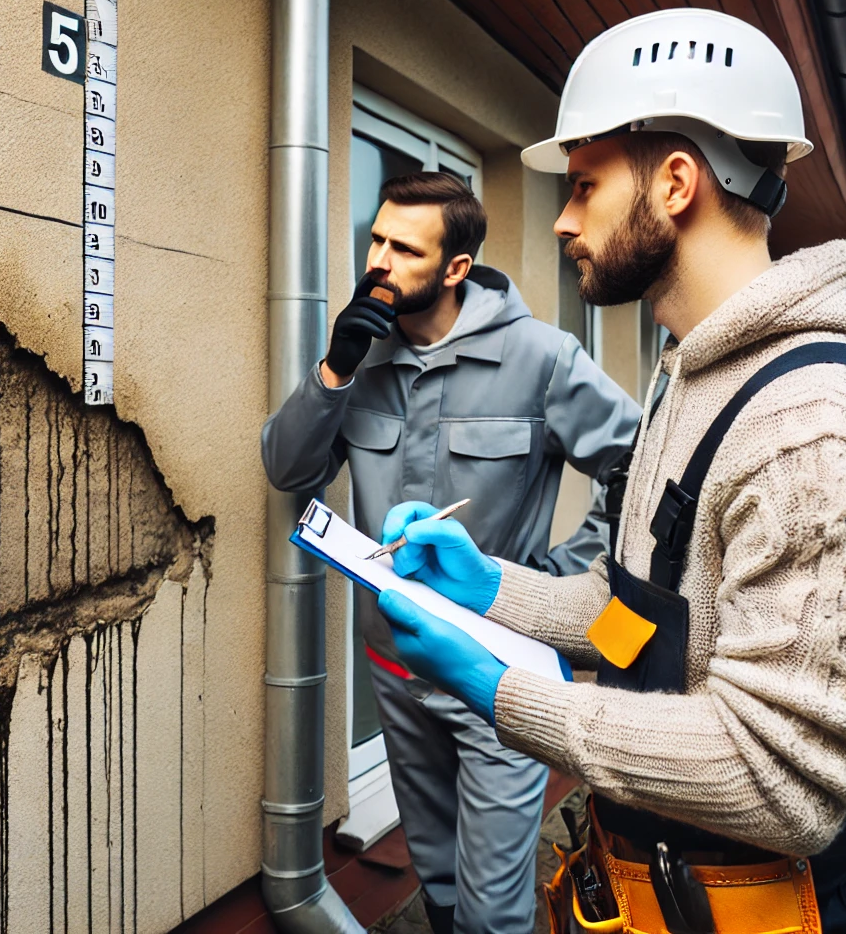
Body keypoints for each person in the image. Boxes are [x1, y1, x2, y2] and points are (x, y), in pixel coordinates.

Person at [376, 8, 846, 934]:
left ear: (678, 182)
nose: (563, 219)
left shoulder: (813, 427)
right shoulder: (686, 374)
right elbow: (638, 626)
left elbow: (784, 778)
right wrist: (494, 591)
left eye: (582, 185)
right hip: (649, 895)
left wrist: (506, 693)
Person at [262, 171, 640, 934]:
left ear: (456, 268)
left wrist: (561, 585)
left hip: (502, 675)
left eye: (404, 248)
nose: (379, 260)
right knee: (435, 873)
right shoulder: (360, 356)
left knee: (494, 908)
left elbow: (639, 467)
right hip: (396, 668)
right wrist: (334, 369)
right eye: (376, 239)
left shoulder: (541, 357)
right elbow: (288, 471)